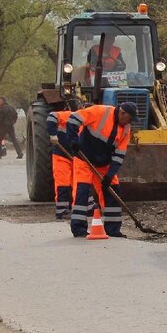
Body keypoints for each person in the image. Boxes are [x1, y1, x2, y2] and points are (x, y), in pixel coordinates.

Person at [65, 101, 135, 238]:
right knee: (82, 191)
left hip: (104, 163)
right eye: (130, 118)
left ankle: (113, 229)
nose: (130, 122)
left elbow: (120, 154)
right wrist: (73, 140)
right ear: (122, 113)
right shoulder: (100, 112)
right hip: (84, 158)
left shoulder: (126, 128)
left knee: (113, 190)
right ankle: (79, 229)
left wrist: (110, 174)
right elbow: (73, 119)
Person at [45, 100, 80, 220]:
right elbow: (51, 117)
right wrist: (53, 134)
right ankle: (62, 210)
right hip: (61, 155)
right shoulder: (69, 115)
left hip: (76, 156)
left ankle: (83, 207)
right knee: (63, 182)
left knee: (79, 182)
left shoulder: (88, 122)